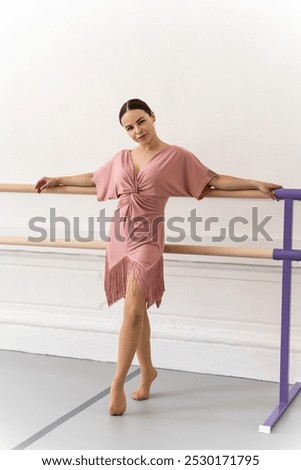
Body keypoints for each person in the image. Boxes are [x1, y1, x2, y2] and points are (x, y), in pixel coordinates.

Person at [35, 98, 282, 416]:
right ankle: (148, 371)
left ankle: (116, 384)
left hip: (148, 239)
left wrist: (255, 184)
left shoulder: (176, 156)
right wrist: (60, 179)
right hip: (120, 237)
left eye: (141, 121)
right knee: (136, 311)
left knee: (134, 312)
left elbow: (213, 179)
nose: (137, 130)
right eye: (129, 127)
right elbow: (95, 177)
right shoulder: (122, 157)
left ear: (153, 117)